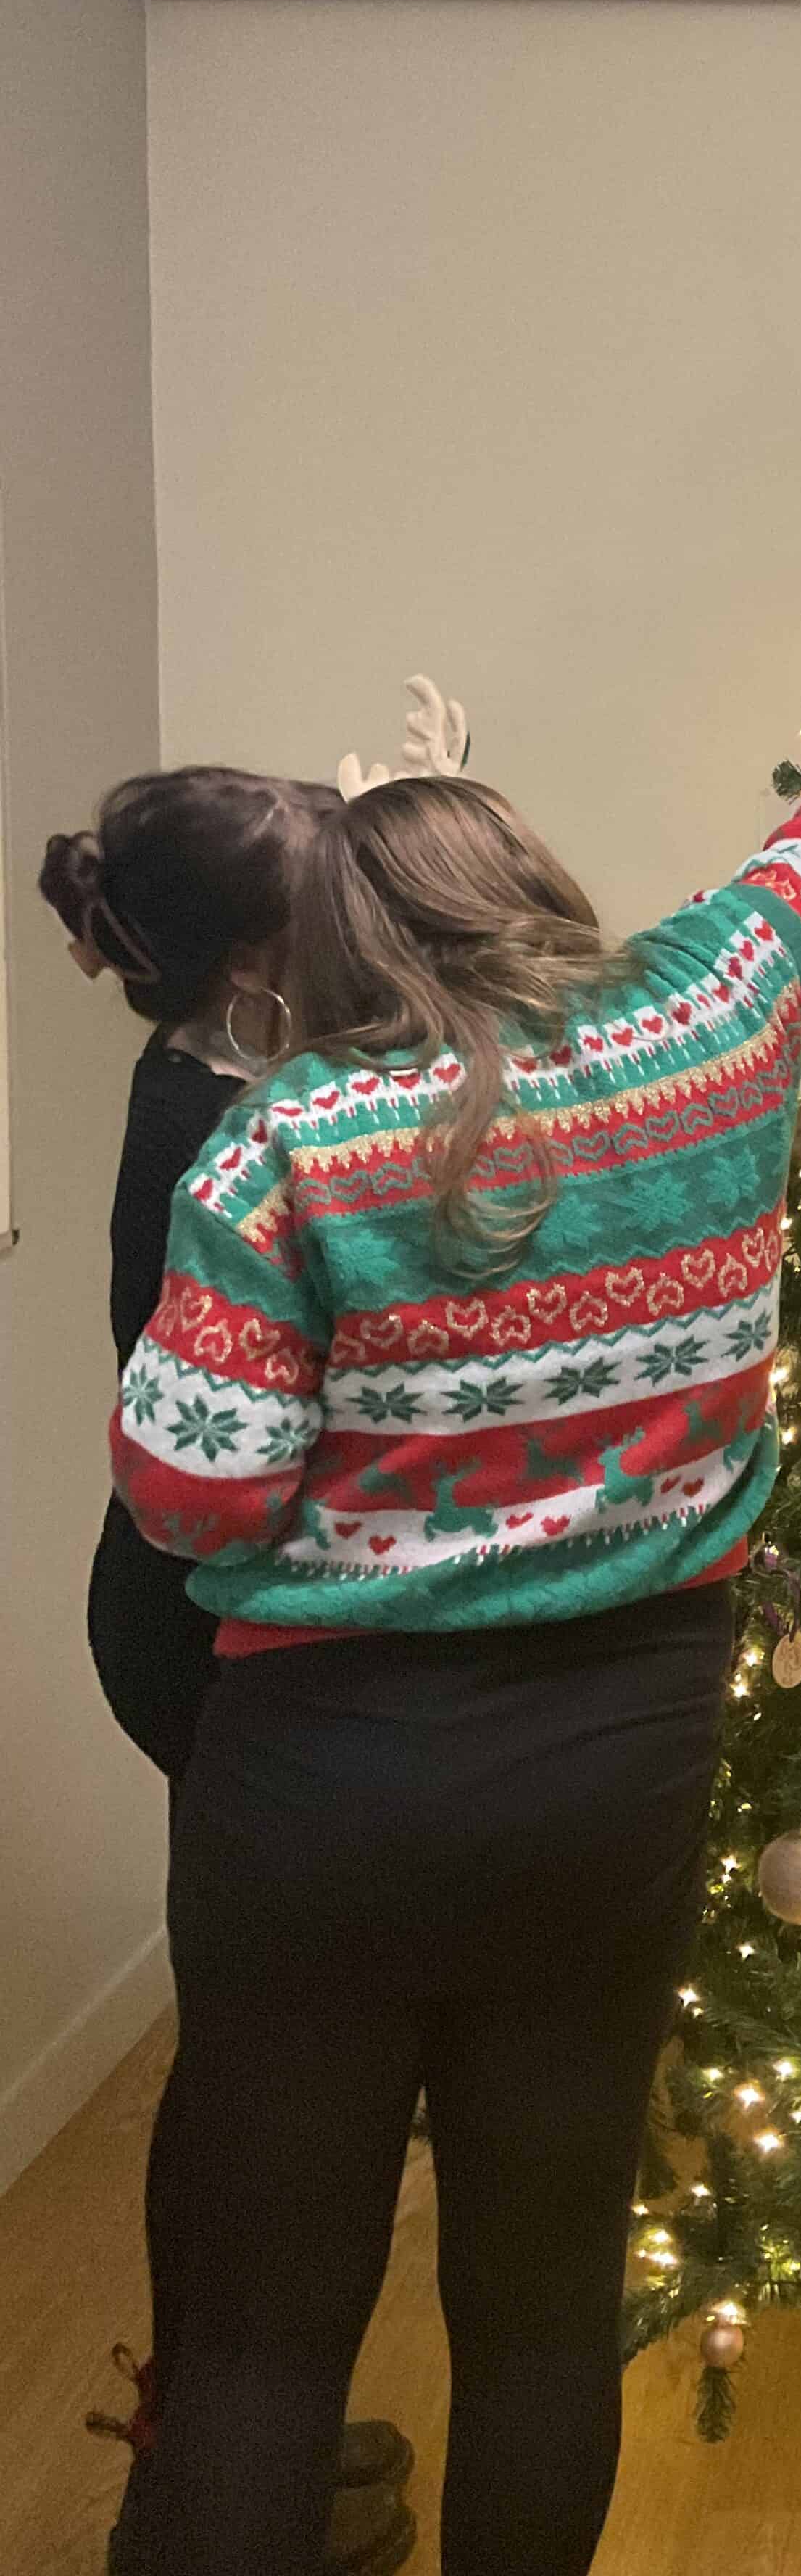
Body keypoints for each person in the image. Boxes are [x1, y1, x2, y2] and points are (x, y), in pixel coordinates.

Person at [107, 566, 801, 2576]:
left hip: (318, 1788)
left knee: (259, 2342)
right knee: (537, 2309)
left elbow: (196, 1499)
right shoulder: (717, 1019)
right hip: (615, 1763)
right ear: (543, 887)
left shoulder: (287, 1147)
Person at [41, 771, 420, 2575]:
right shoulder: (216, 1134)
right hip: (198, 1626)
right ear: (269, 952)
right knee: (257, 2063)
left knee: (251, 2038)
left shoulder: (223, 1073)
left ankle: (226, 2423)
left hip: (185, 1606)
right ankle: (199, 2458)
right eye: (331, 887)